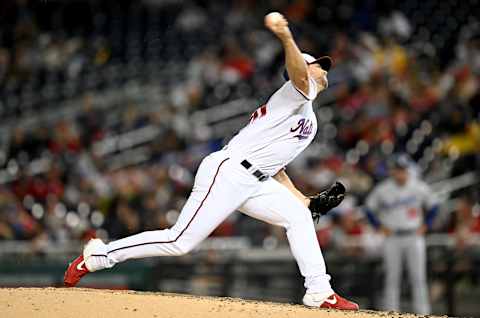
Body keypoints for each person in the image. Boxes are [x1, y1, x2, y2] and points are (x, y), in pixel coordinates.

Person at [64, 12, 358, 310]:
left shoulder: (310, 119)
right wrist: (285, 37)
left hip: (255, 180)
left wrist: (303, 201)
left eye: (323, 66)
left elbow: (276, 165)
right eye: (317, 65)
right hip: (228, 171)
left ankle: (320, 291)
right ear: (303, 70)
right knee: (179, 241)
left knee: (298, 217)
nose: (324, 70)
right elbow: (296, 73)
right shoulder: (293, 93)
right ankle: (99, 256)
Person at [365, 154, 439, 314]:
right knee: (392, 277)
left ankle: (423, 313)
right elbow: (368, 209)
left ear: (407, 170)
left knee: (418, 277)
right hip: (392, 237)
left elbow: (434, 205)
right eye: (397, 170)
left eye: (403, 170)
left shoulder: (418, 186)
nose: (400, 173)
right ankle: (391, 312)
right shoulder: (383, 189)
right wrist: (378, 226)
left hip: (414, 236)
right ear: (392, 171)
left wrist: (427, 224)